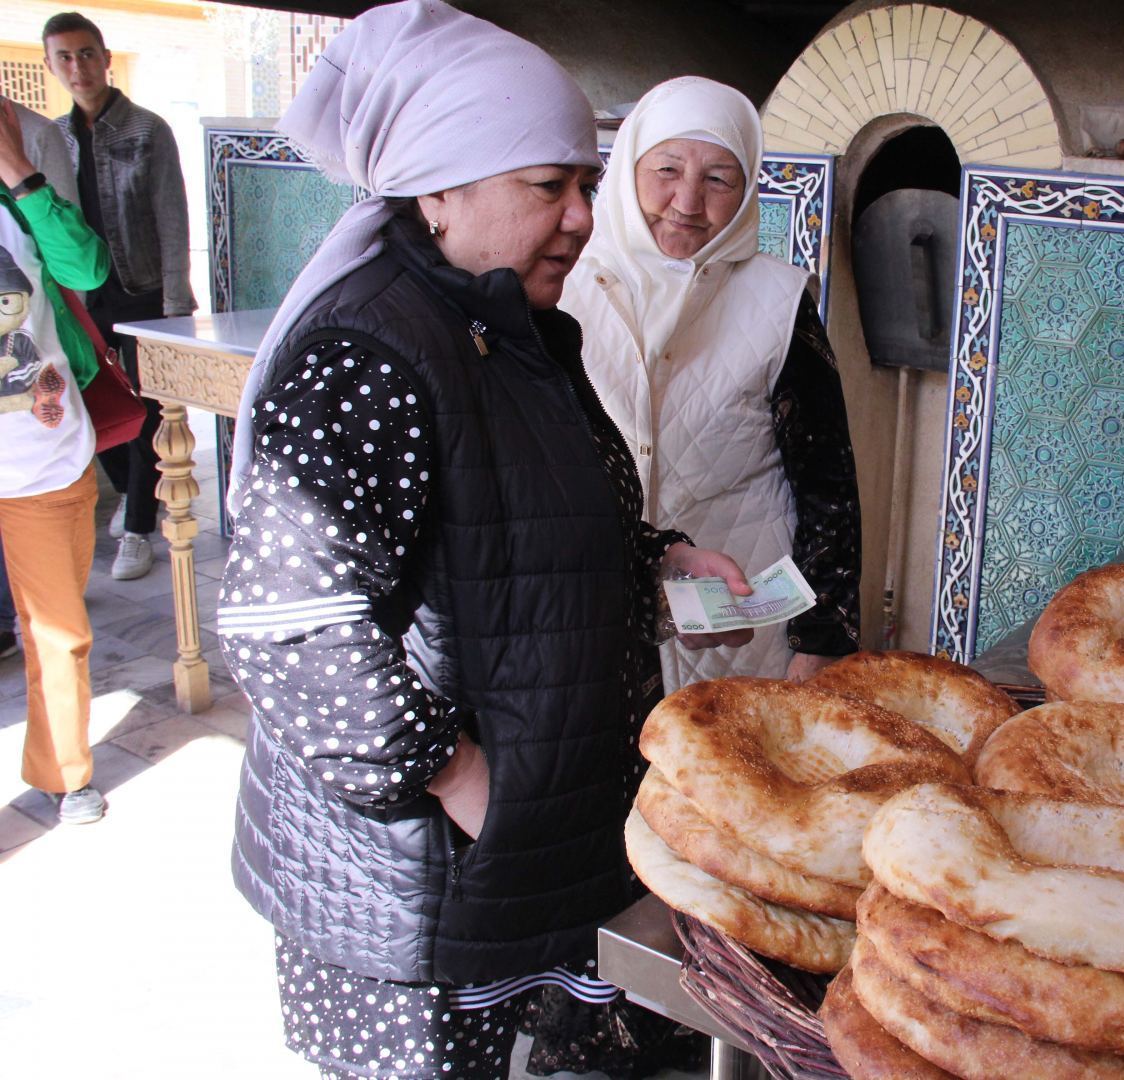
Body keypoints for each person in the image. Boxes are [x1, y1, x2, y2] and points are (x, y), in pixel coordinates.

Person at [219, 4, 750, 1076]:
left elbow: (515, 521)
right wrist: (459, 778)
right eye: (547, 187)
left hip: (515, 853)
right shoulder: (370, 349)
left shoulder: (497, 325)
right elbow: (292, 630)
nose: (581, 220)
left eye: (586, 186)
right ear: (439, 190)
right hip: (416, 890)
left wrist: (656, 558)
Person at [563, 76, 861, 691]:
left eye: (719, 179)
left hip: (739, 630)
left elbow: (829, 486)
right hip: (589, 618)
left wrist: (822, 640)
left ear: (749, 186)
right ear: (626, 172)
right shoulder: (561, 281)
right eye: (666, 170)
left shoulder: (778, 301)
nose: (687, 202)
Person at [44, 10, 196, 581]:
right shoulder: (51, 137)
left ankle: (136, 528)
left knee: (147, 408)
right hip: (80, 294)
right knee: (94, 400)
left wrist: (177, 304)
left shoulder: (146, 130)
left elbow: (172, 218)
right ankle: (138, 496)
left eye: (87, 53)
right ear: (51, 66)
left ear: (106, 58)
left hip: (142, 291)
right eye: (65, 56)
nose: (78, 66)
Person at [0, 95, 112, 824]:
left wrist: (16, 168)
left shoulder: (19, 196)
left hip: (37, 457)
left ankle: (63, 771)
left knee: (57, 630)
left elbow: (87, 268)